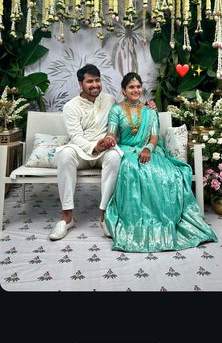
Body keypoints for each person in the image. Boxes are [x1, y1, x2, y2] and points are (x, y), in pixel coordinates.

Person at [103, 72, 218, 252]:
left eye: (138, 86)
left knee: (168, 174)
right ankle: (140, 225)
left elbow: (155, 136)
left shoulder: (150, 110)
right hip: (126, 150)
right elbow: (111, 132)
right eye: (131, 87)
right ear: (124, 90)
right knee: (133, 169)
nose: (135, 90)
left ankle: (168, 222)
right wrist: (109, 138)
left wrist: (148, 148)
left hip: (150, 148)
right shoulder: (116, 110)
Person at [49, 64, 157, 241]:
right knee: (65, 155)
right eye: (89, 81)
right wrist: (94, 147)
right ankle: (67, 217)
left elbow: (129, 106)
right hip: (82, 150)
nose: (94, 85)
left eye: (97, 80)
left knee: (115, 156)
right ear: (80, 84)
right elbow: (75, 137)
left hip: (105, 149)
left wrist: (147, 105)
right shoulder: (70, 106)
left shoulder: (108, 100)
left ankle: (104, 214)